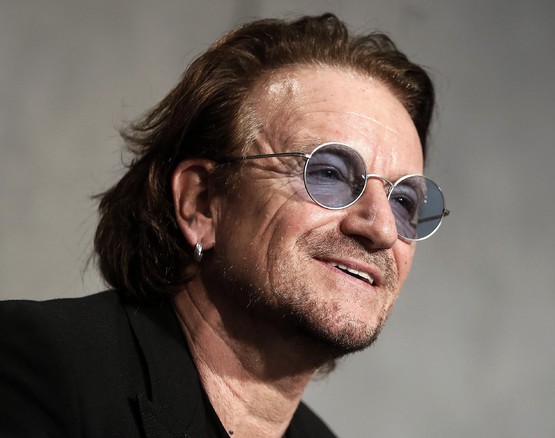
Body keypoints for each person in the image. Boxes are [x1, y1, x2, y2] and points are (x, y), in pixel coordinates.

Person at [0, 13, 448, 438]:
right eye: (328, 173)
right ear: (201, 204)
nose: (382, 229)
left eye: (404, 201)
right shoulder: (42, 366)